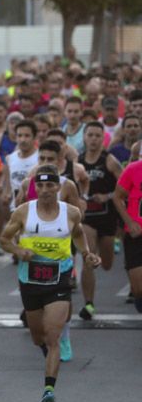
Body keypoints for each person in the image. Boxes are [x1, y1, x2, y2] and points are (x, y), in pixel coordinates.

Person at [0, 167, 99, 402]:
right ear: (35, 188)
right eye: (40, 186)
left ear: (58, 187)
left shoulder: (71, 212)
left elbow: (78, 235)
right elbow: (4, 239)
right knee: (38, 337)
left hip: (60, 280)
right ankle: (47, 351)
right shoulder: (24, 211)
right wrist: (19, 251)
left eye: (49, 186)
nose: (44, 191)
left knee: (53, 336)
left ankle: (48, 391)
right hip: (30, 280)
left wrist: (86, 254)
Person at [77, 121, 122, 320]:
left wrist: (108, 196)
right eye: (90, 135)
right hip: (87, 219)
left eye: (97, 135)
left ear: (103, 138)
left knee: (106, 264)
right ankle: (89, 304)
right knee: (88, 258)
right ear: (84, 137)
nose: (93, 139)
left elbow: (125, 188)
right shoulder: (77, 162)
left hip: (107, 218)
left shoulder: (109, 160)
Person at [113, 157, 142, 313]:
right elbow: (117, 197)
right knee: (138, 290)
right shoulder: (133, 169)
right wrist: (129, 223)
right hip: (136, 234)